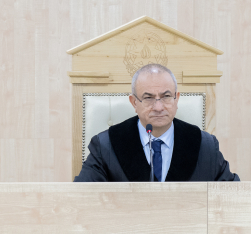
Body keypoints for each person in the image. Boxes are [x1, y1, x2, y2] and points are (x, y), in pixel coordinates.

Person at [73, 63, 239, 182]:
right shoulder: (105, 146)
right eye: (148, 98)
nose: (158, 107)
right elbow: (83, 198)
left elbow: (231, 195)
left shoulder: (206, 146)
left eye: (166, 96)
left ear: (177, 99)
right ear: (134, 103)